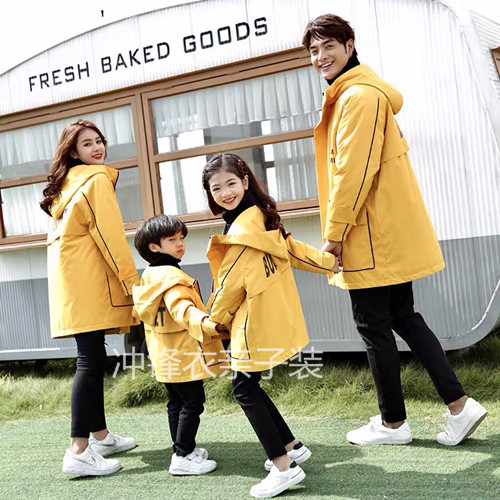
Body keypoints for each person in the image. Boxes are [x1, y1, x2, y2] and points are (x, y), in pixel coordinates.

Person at [303, 14, 487, 446]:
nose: (320, 56)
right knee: (403, 317)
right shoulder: (359, 93)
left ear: (349, 46)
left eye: (328, 46)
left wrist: (334, 235)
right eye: (313, 50)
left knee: (373, 326)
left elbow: (353, 172)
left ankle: (393, 424)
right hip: (381, 231)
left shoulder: (357, 97)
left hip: (368, 234)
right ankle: (458, 406)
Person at [202, 153, 337, 498]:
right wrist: (330, 262)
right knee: (250, 386)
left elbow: (229, 286)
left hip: (250, 324)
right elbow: (293, 250)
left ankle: (284, 467)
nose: (225, 193)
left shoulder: (241, 231)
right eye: (216, 188)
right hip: (267, 317)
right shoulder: (260, 218)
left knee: (244, 390)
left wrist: (211, 324)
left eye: (231, 183)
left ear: (245, 181)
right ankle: (291, 446)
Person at [40, 120, 139, 475]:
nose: (97, 148)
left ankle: (100, 436)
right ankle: (79, 450)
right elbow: (111, 238)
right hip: (91, 284)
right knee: (89, 361)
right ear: (72, 151)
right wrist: (132, 283)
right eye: (87, 144)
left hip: (73, 288)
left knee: (92, 356)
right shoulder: (95, 181)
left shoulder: (65, 189)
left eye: (99, 141)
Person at [132, 214, 229, 475]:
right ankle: (183, 456)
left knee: (175, 403)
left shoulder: (150, 275)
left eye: (181, 238)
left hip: (164, 354)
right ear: (154, 247)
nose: (180, 244)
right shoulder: (173, 278)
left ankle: (182, 450)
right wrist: (210, 325)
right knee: (192, 403)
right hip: (184, 354)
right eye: (172, 240)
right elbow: (184, 310)